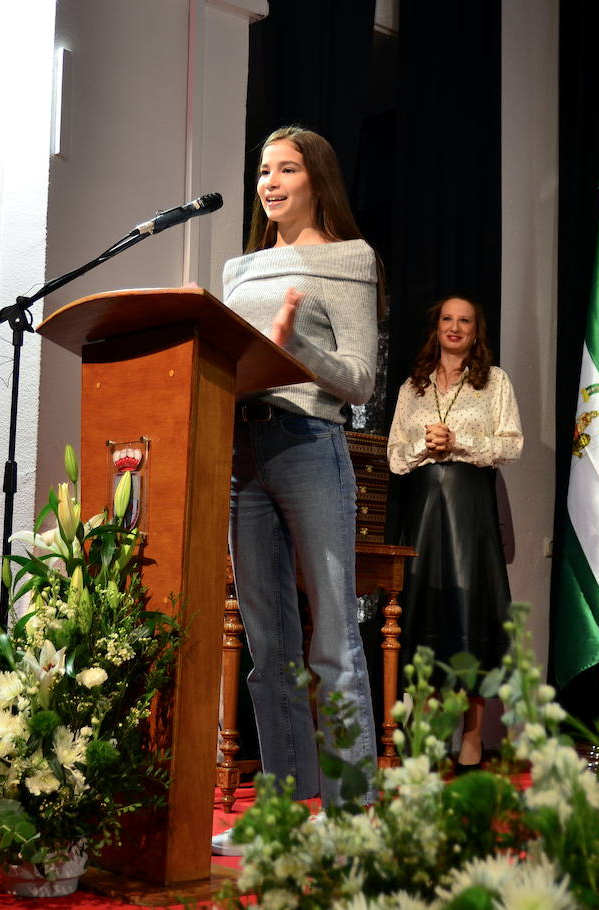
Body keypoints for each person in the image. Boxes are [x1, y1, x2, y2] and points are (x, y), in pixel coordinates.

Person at [214, 126, 380, 853]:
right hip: (238, 452)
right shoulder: (239, 268)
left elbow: (362, 380)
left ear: (317, 179)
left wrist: (296, 349)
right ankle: (283, 810)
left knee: (334, 642)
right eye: (262, 170)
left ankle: (348, 818)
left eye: (286, 168)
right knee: (267, 645)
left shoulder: (350, 258)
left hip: (309, 445)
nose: (270, 181)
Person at [386, 296, 523, 772]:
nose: (455, 327)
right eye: (447, 318)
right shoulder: (412, 386)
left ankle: (471, 739)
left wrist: (458, 441)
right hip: (424, 510)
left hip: (470, 511)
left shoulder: (495, 381)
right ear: (436, 326)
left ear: (475, 330)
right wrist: (427, 444)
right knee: (424, 613)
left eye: (465, 320)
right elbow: (393, 454)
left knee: (469, 616)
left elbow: (511, 444)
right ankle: (421, 737)